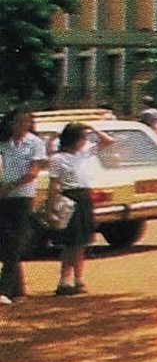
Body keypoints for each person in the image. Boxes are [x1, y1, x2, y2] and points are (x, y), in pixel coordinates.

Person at [45, 121, 114, 294]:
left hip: (84, 197)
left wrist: (93, 129)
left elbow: (108, 141)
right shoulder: (58, 159)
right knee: (71, 242)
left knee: (82, 242)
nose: (85, 141)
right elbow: (54, 185)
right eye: (82, 137)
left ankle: (78, 278)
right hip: (70, 197)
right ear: (74, 139)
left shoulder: (82, 154)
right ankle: (65, 279)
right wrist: (51, 208)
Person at [0, 107, 48, 305]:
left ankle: (4, 288)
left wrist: (10, 187)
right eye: (17, 121)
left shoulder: (35, 143)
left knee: (15, 240)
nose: (21, 126)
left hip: (22, 196)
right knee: (6, 240)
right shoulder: (4, 143)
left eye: (25, 122)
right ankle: (18, 288)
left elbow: (33, 172)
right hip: (4, 196)